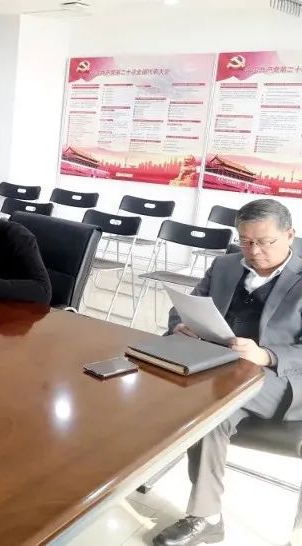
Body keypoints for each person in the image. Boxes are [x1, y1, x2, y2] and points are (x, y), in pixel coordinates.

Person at [153, 199, 302, 546]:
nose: (254, 251)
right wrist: (181, 326)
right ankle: (206, 516)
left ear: (290, 235)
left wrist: (266, 354)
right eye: (245, 241)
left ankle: (202, 515)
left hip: (282, 378)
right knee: (188, 399)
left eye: (265, 241)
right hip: (221, 367)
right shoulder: (224, 265)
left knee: (210, 404)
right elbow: (186, 307)